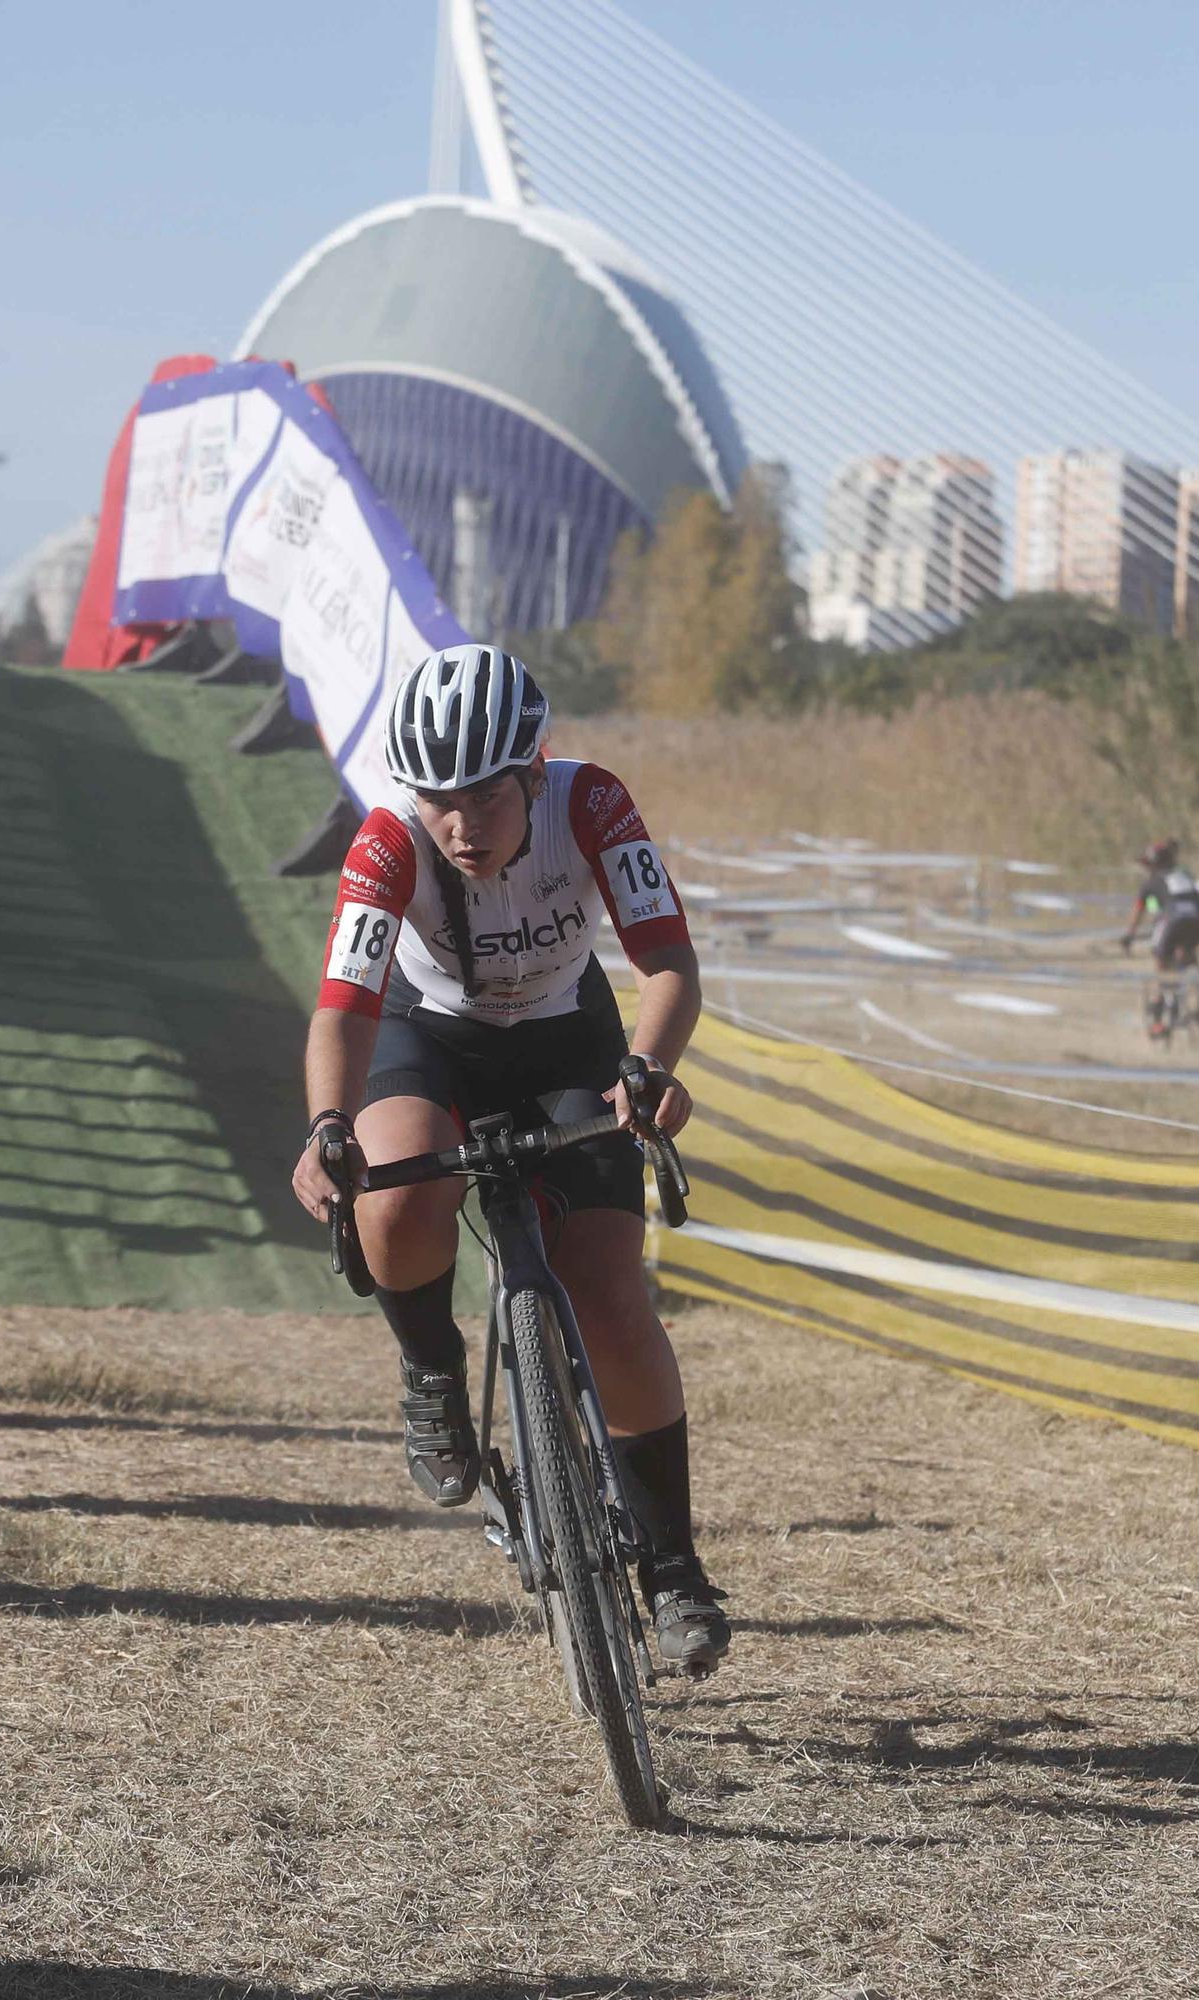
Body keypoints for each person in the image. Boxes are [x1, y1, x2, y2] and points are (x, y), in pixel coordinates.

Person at [291, 645, 729, 1675]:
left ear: (533, 771)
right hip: (426, 1033)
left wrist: (649, 1066)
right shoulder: (389, 842)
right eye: (439, 798)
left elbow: (669, 962)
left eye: (484, 795)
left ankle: (673, 1568)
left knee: (613, 1295)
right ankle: (433, 1367)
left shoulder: (594, 805)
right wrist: (324, 1126)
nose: (461, 823)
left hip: (568, 1032)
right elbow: (343, 1010)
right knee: (398, 1198)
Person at [1120, 838, 1199, 1037]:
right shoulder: (1184, 876)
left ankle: (1159, 1019)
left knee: (1160, 967)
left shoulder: (1151, 882)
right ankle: (1197, 991)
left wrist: (1129, 936)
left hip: (1174, 921)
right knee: (1186, 953)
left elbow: (1141, 911)